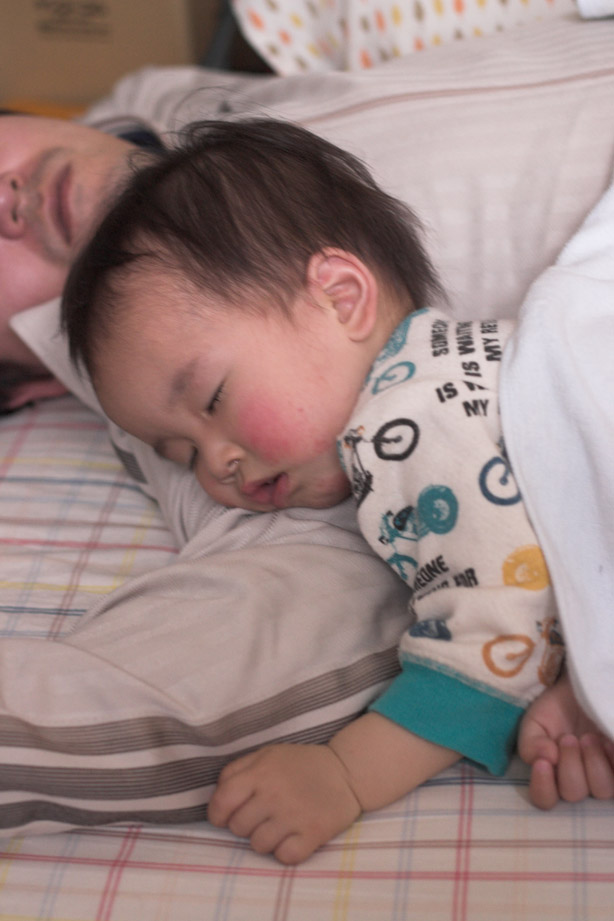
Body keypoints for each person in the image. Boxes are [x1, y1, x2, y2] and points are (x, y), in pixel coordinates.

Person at [0, 15, 613, 835]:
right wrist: (579, 676)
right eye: (180, 452)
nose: (216, 466)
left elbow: (495, 640)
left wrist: (347, 773)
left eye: (213, 401)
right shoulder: (436, 378)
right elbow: (528, 579)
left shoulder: (408, 419)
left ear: (342, 297)